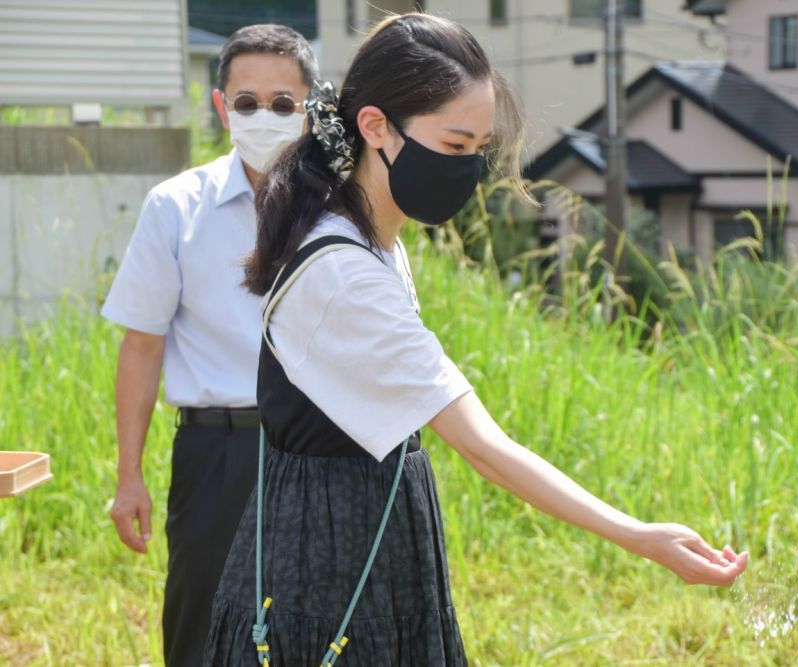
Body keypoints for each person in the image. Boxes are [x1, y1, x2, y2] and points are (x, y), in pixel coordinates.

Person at [203, 13, 748, 665]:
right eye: (454, 144)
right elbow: (484, 446)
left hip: (353, 544)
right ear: (375, 127)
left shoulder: (364, 239)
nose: (467, 168)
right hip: (329, 565)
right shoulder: (344, 272)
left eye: (478, 148)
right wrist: (638, 535)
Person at [101, 24, 319, 667]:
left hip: (321, 449)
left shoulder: (341, 209)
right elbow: (141, 346)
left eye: (283, 103)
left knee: (318, 626)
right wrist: (128, 476)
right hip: (215, 451)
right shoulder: (175, 208)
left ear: (309, 109)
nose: (264, 115)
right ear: (222, 107)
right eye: (247, 101)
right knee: (202, 630)